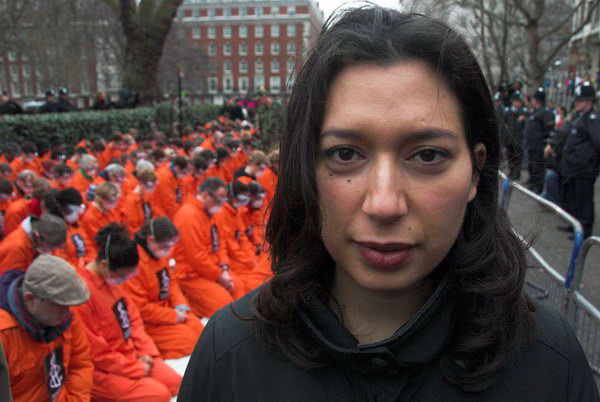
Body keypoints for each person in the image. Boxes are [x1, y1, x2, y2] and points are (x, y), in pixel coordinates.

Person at [179, 8, 599, 401]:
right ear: (306, 166)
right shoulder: (228, 357)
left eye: (428, 156)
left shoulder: (550, 361)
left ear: (475, 171)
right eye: (346, 154)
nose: (383, 204)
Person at [76, 224, 181, 401]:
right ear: (104, 265)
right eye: (124, 277)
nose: (124, 281)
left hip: (130, 353)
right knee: (159, 395)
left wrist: (145, 352)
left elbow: (133, 318)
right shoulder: (81, 293)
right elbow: (95, 350)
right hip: (102, 368)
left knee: (176, 383)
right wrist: (134, 367)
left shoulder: (112, 278)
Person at [0, 255, 93, 401]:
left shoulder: (64, 316)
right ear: (30, 298)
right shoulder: (4, 336)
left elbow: (81, 363)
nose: (67, 312)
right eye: (60, 306)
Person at [124, 217, 203, 359]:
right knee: (190, 341)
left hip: (168, 310)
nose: (169, 250)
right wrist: (173, 316)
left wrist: (181, 305)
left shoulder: (158, 252)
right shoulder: (134, 263)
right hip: (149, 322)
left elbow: (171, 282)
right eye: (166, 246)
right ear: (150, 240)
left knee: (201, 330)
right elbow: (141, 309)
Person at [173, 177, 245, 318]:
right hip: (192, 274)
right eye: (219, 200)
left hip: (214, 269)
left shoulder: (212, 211)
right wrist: (219, 276)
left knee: (239, 288)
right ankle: (193, 304)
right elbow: (196, 258)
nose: (221, 205)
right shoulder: (189, 216)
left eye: (224, 201)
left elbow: (220, 243)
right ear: (205, 195)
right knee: (225, 306)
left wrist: (224, 268)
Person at [559, 81, 600, 239]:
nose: (576, 103)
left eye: (579, 101)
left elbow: (597, 143)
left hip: (585, 169)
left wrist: (590, 162)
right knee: (574, 199)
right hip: (574, 168)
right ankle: (574, 224)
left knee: (584, 201)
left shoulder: (593, 119)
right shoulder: (580, 118)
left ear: (589, 102)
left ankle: (584, 230)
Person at [0, 213, 67, 275]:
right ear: (37, 237)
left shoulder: (37, 239)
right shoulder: (16, 249)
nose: (51, 251)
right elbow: (8, 282)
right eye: (50, 248)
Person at [524, 87, 555, 193]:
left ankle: (538, 187)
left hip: (539, 146)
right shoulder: (535, 111)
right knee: (532, 165)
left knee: (539, 167)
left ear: (536, 100)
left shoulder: (545, 112)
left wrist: (547, 144)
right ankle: (533, 183)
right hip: (532, 145)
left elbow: (549, 130)